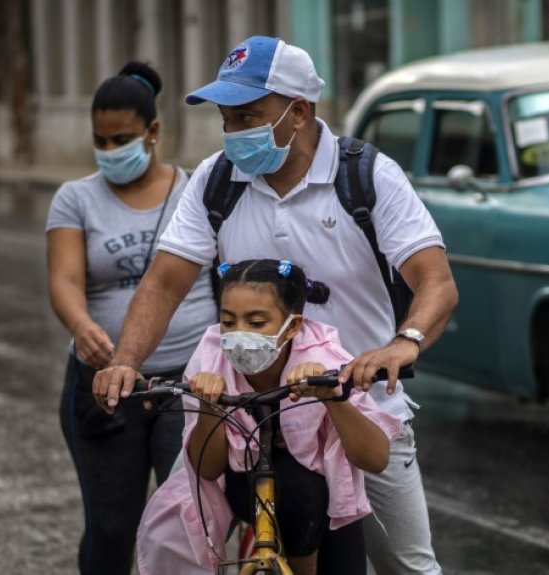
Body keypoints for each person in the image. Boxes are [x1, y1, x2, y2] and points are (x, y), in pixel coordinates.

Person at [94, 36, 457, 574]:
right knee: (180, 539)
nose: (233, 131)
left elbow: (436, 281)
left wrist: (403, 344)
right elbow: (165, 282)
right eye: (226, 118)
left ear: (299, 111)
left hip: (358, 411)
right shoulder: (217, 180)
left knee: (407, 565)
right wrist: (125, 361)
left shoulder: (368, 176)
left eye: (247, 116)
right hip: (245, 413)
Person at [46, 61, 215, 575]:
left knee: (188, 524)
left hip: (186, 383)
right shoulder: (76, 198)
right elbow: (65, 281)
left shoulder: (197, 191)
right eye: (100, 141)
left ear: (153, 132)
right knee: (112, 527)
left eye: (122, 139)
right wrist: (81, 326)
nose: (110, 150)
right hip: (104, 387)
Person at [136, 259, 402, 575]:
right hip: (239, 480)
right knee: (180, 539)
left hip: (323, 499)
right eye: (228, 321)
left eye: (256, 323)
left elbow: (376, 459)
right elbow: (207, 469)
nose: (238, 334)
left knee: (318, 515)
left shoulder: (328, 361)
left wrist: (332, 397)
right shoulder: (210, 358)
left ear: (292, 326)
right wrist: (209, 406)